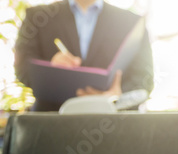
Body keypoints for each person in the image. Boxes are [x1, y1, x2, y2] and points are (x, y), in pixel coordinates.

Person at [14, 0, 154, 111]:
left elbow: (145, 79)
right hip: (52, 123)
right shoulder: (38, 17)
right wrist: (50, 68)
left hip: (111, 126)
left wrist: (120, 95)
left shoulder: (131, 22)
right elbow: (21, 67)